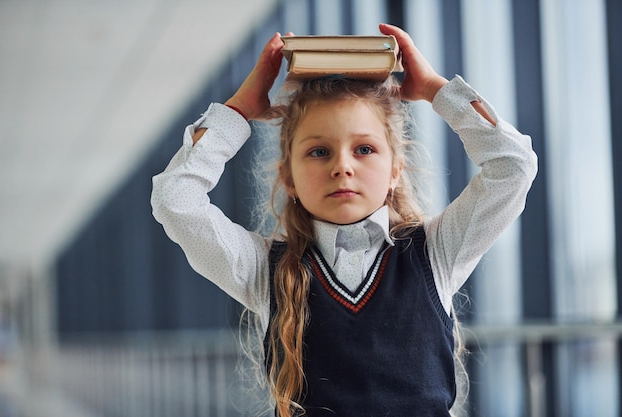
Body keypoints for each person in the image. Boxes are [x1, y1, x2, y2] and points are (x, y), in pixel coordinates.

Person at [151, 23, 537, 417]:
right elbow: (174, 200)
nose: (342, 167)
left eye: (364, 149)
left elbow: (515, 168)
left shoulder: (435, 253)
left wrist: (437, 90)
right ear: (290, 179)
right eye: (318, 152)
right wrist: (237, 112)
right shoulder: (264, 270)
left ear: (394, 172)